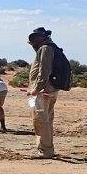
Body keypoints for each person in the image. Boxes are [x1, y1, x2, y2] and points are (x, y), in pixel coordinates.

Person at [27, 26, 58, 159]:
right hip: (50, 89)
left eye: (35, 38)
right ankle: (47, 148)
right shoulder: (48, 48)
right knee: (47, 119)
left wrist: (36, 88)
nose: (33, 41)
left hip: (43, 90)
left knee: (40, 120)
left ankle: (45, 151)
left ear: (42, 37)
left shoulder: (45, 48)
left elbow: (44, 71)